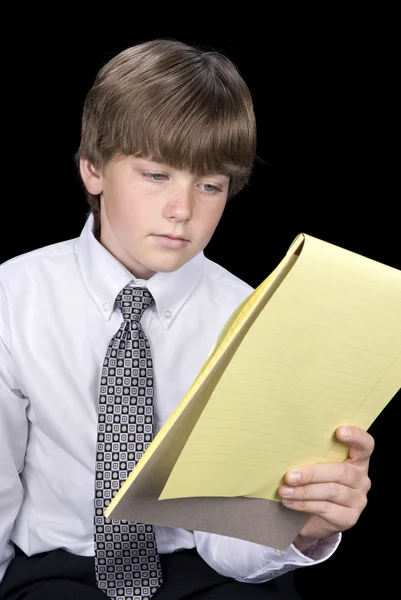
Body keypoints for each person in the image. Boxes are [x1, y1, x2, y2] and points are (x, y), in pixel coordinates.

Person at [0, 39, 373, 600]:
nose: (183, 210)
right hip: (60, 571)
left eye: (209, 185)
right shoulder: (14, 296)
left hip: (205, 570)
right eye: (156, 176)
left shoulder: (252, 318)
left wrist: (307, 525)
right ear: (93, 169)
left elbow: (233, 537)